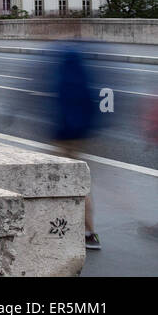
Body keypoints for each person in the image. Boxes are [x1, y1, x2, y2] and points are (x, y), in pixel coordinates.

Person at [47, 43, 102, 250]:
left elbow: (60, 107)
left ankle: (59, 228)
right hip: (81, 134)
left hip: (64, 136)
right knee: (83, 185)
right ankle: (90, 232)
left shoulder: (64, 76)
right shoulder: (84, 77)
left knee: (58, 182)